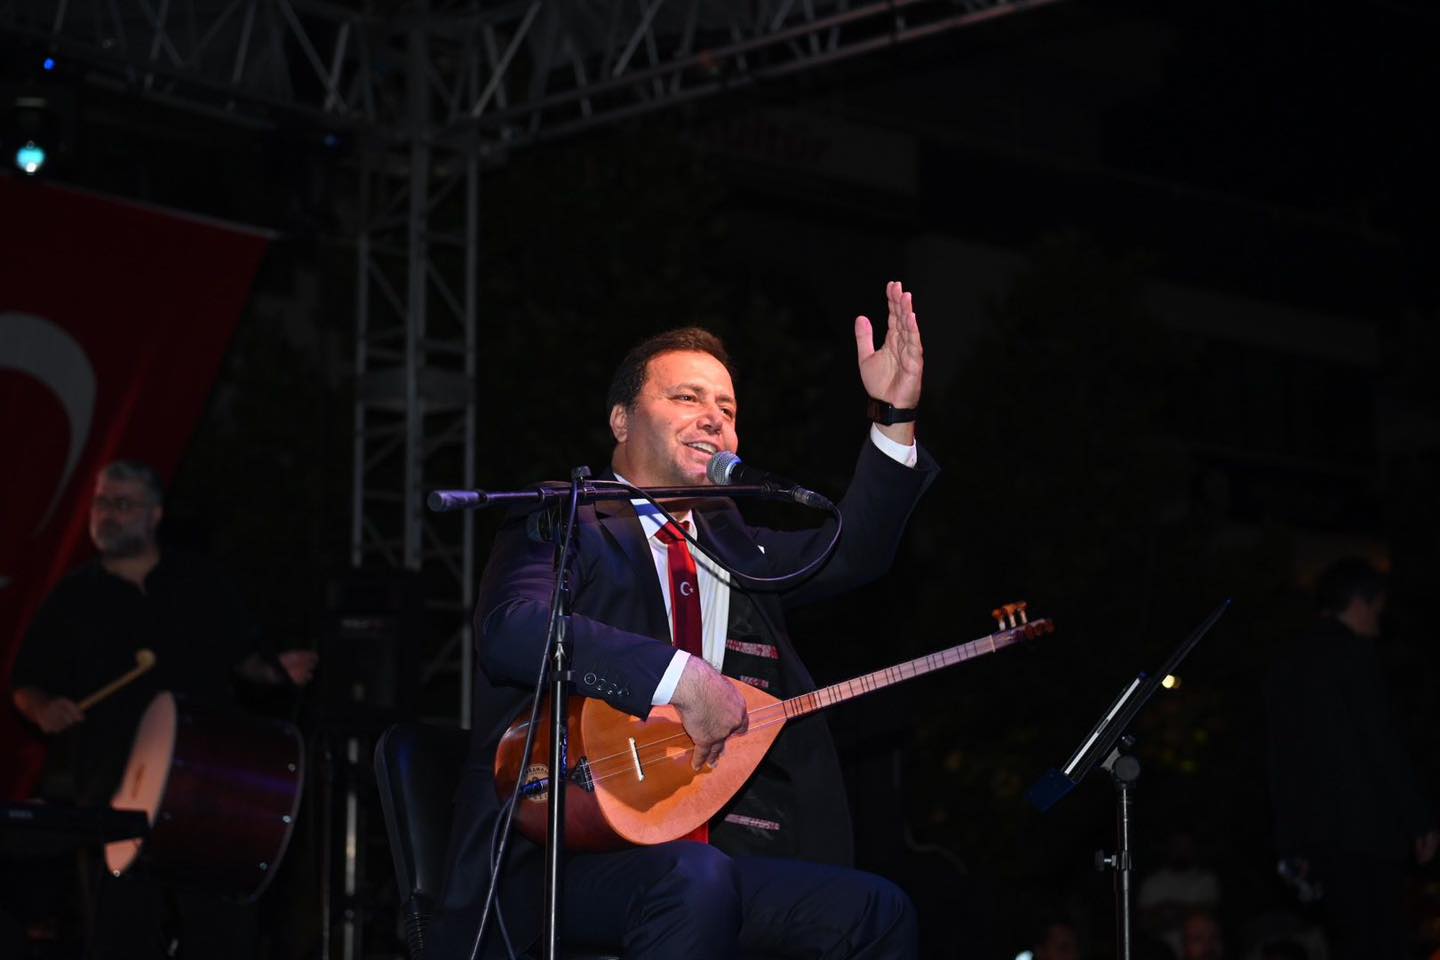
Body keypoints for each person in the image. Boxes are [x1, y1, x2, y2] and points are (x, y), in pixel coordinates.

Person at [427, 282, 937, 959]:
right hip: (559, 856)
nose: (713, 419)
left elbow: (853, 554)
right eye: (687, 398)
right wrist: (678, 678)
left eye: (727, 408)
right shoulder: (565, 518)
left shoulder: (736, 547)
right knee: (693, 881)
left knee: (874, 911)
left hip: (710, 855)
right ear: (621, 421)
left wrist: (895, 414)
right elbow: (513, 628)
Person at [9, 458, 318, 959]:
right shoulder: (72, 596)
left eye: (123, 504)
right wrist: (44, 709)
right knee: (120, 938)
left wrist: (275, 670)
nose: (107, 514)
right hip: (116, 795)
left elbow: (244, 660)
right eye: (101, 503)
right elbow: (25, 683)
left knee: (220, 935)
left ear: (155, 515)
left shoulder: (200, 581)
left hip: (208, 789)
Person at [1265, 556, 1438, 960]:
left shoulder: (1289, 660)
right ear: (1360, 603)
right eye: (1377, 608)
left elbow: (1280, 758)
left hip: (1318, 837)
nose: (1379, 620)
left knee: (1348, 940)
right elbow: (1381, 742)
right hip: (1367, 833)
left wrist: (1289, 841)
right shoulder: (1353, 656)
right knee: (1382, 940)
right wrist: (1418, 817)